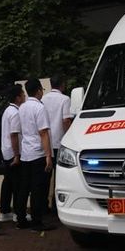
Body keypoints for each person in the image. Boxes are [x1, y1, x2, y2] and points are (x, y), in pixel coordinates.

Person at [15, 79, 56, 232]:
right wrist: (48, 155)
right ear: (38, 90)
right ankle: (37, 221)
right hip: (38, 152)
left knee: (25, 187)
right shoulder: (39, 108)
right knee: (38, 189)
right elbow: (43, 133)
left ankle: (21, 219)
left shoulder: (22, 107)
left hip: (26, 152)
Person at [42, 77, 73, 213]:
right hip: (60, 141)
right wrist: (70, 136)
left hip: (46, 141)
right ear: (62, 84)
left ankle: (43, 204)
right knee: (59, 176)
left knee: (45, 176)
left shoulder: (43, 99)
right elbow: (66, 120)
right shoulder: (65, 99)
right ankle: (57, 205)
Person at [0, 84, 25, 223]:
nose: (25, 97)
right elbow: (14, 135)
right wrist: (17, 155)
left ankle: (4, 211)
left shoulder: (7, 111)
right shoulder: (15, 113)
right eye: (23, 94)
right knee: (18, 185)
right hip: (12, 153)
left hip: (5, 151)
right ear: (18, 97)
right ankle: (18, 213)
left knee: (8, 183)